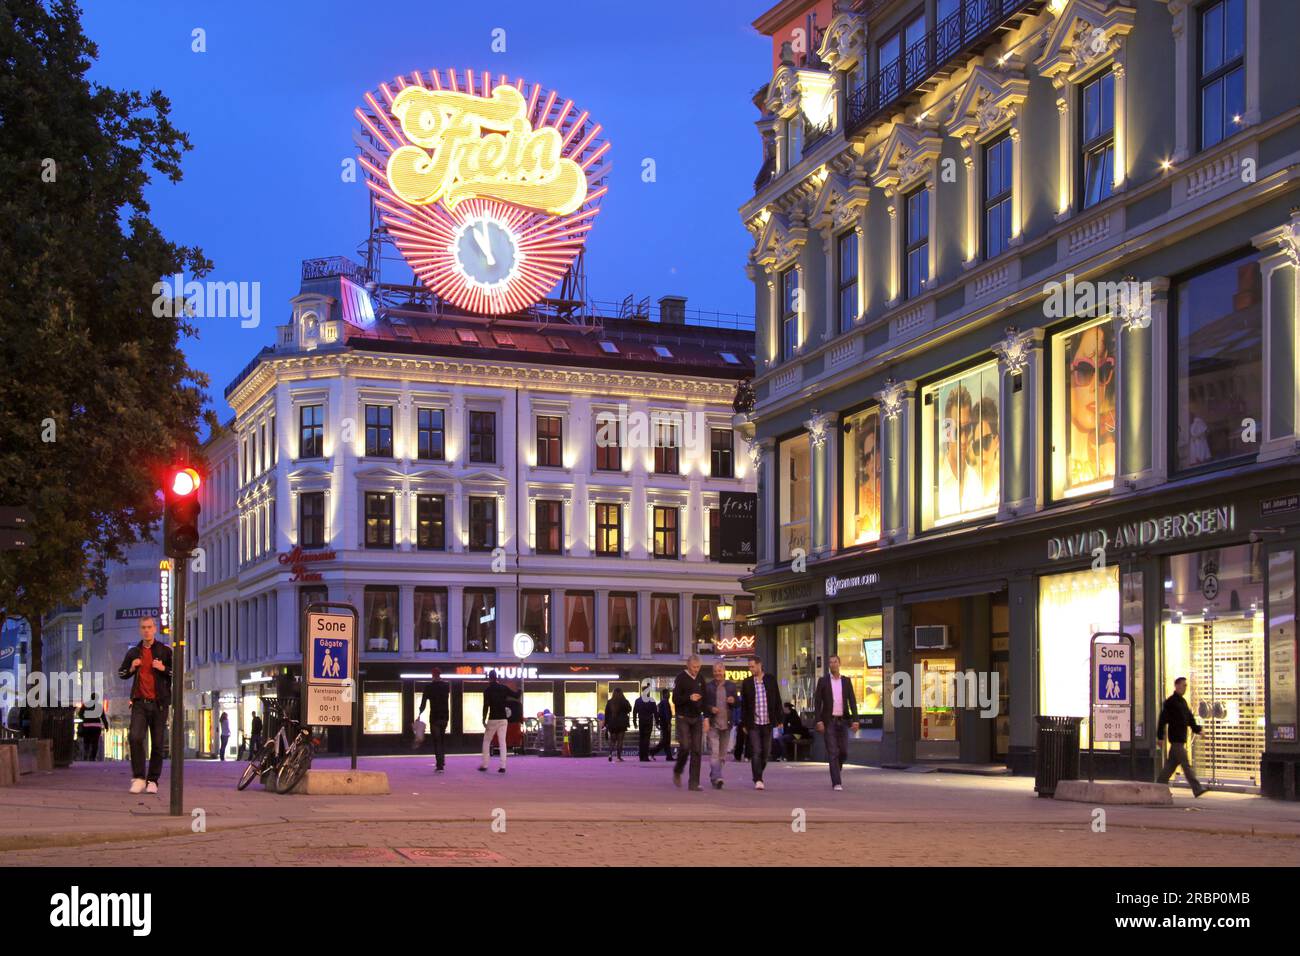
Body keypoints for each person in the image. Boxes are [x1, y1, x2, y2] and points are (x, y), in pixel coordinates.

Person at [116, 616, 172, 794]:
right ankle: (139, 777)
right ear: (140, 630)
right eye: (143, 627)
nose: (146, 630)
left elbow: (176, 672)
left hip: (159, 704)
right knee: (135, 737)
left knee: (157, 744)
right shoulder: (134, 652)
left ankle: (153, 780)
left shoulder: (164, 651)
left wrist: (163, 669)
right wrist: (132, 668)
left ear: (155, 629)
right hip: (139, 702)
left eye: (149, 627)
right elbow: (122, 673)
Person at [814, 655, 860, 791]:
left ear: (839, 664)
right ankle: (836, 782)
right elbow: (817, 703)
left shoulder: (846, 681)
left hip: (843, 721)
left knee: (844, 752)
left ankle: (836, 768)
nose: (832, 664)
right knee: (833, 752)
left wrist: (856, 720)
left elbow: (852, 701)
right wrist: (819, 721)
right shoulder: (823, 681)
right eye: (830, 662)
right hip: (829, 722)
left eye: (835, 662)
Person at [1156, 677, 1206, 797]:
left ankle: (1158, 787)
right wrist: (1160, 737)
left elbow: (1189, 719)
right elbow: (1162, 720)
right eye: (1184, 685)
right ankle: (1197, 788)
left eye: (1186, 685)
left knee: (1170, 766)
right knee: (1186, 765)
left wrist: (1198, 730)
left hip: (1180, 741)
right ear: (1177, 686)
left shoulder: (1183, 702)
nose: (1185, 688)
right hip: (1176, 741)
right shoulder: (1170, 702)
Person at [741, 655, 782, 790]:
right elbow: (744, 705)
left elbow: (777, 700)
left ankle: (758, 772)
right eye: (749, 667)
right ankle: (758, 779)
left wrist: (779, 719)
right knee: (756, 750)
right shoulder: (747, 683)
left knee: (766, 753)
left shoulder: (770, 680)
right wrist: (744, 724)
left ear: (759, 665)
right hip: (754, 723)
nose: (751, 669)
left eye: (752, 666)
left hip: (768, 722)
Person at [672, 655, 708, 791]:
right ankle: (678, 770)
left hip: (697, 717)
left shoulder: (701, 679)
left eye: (698, 667)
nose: (696, 670)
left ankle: (694, 783)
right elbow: (675, 698)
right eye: (694, 667)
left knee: (697, 750)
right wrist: (689, 698)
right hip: (683, 717)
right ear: (688, 665)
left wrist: (706, 717)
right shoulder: (681, 678)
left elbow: (705, 699)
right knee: (685, 746)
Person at [703, 662, 737, 790]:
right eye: (715, 671)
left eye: (719, 671)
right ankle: (718, 778)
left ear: (724, 671)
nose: (717, 673)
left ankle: (714, 775)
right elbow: (704, 705)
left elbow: (737, 703)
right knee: (715, 753)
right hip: (713, 725)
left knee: (722, 756)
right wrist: (710, 709)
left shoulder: (731, 686)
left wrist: (733, 700)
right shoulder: (708, 687)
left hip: (726, 725)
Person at [479, 671, 516, 774]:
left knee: (486, 741)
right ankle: (503, 766)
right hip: (503, 719)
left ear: (489, 678)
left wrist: (483, 718)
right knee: (502, 742)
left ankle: (485, 764)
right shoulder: (504, 688)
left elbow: (485, 706)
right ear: (497, 677)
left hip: (493, 718)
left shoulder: (487, 690)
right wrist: (520, 690)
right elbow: (516, 695)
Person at [418, 668, 451, 773]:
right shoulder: (446, 686)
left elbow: (423, 703)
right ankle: (442, 760)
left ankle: (440, 765)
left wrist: (419, 713)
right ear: (440, 675)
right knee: (442, 739)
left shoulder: (429, 687)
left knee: (437, 741)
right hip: (445, 717)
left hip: (435, 717)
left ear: (432, 675)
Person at [604, 687, 632, 762]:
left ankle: (610, 754)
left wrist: (606, 724)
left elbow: (606, 713)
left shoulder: (610, 702)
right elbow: (629, 709)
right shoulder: (624, 701)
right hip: (622, 724)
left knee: (612, 740)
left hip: (612, 723)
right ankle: (619, 757)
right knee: (620, 740)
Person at [633, 684, 658, 761]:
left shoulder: (638, 700)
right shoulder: (652, 700)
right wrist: (657, 722)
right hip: (649, 721)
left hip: (641, 721)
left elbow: (634, 712)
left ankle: (641, 756)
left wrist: (634, 722)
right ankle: (645, 756)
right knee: (647, 739)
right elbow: (655, 712)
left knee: (641, 738)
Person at [652, 689, 673, 760]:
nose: (669, 695)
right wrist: (668, 723)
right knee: (666, 740)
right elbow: (666, 713)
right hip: (665, 723)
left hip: (663, 723)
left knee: (666, 740)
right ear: (664, 694)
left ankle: (668, 756)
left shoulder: (662, 702)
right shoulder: (665, 702)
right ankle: (652, 751)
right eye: (668, 693)